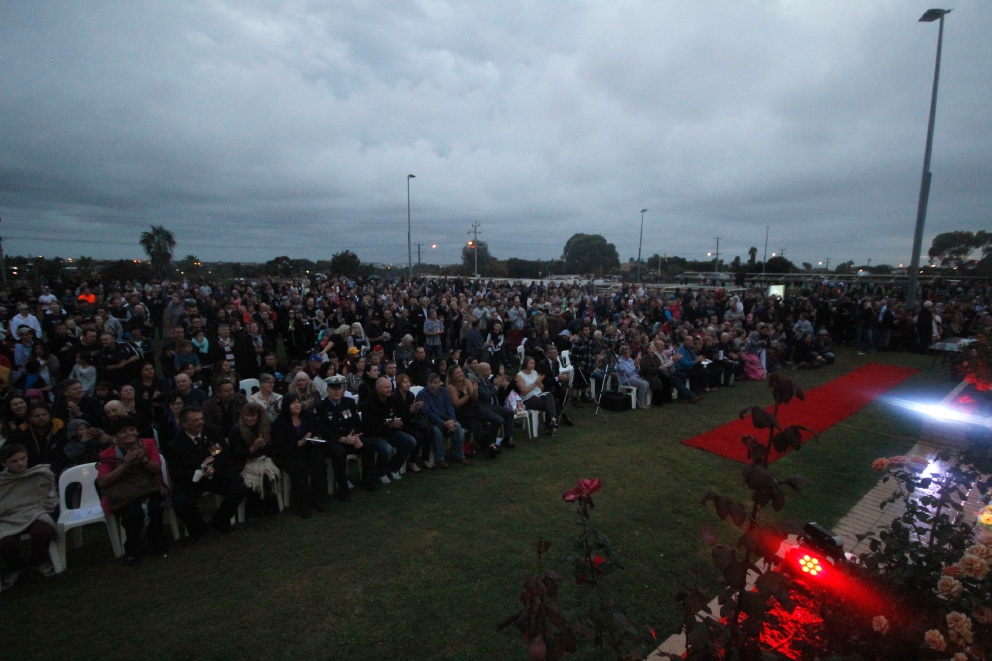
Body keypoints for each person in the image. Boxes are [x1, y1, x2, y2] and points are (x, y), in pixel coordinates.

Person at [165, 406, 248, 542]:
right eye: (195, 420)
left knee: (239, 487)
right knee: (180, 501)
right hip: (192, 479)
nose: (200, 422)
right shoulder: (175, 446)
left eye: (201, 419)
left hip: (216, 474)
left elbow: (220, 452)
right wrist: (201, 468)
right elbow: (177, 473)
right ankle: (197, 528)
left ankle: (221, 520)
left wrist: (213, 467)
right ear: (184, 424)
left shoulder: (212, 432)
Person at [96, 417, 168, 565]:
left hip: (149, 488)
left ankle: (156, 540)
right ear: (115, 436)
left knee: (156, 507)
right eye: (123, 432)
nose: (129, 433)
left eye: (132, 429)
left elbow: (156, 468)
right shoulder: (108, 454)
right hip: (123, 494)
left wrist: (144, 459)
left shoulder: (148, 445)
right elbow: (103, 481)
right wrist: (124, 464)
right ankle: (133, 548)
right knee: (132, 513)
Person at [315, 374, 384, 497]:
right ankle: (342, 487)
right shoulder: (322, 407)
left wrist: (355, 436)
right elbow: (323, 430)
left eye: (339, 389)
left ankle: (367, 480)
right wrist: (341, 439)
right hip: (334, 441)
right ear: (328, 390)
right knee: (339, 452)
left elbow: (356, 422)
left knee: (369, 446)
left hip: (351, 438)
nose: (337, 392)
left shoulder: (349, 402)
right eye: (334, 389)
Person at [0, 444, 58, 587]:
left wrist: (41, 506)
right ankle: (16, 566)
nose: (20, 463)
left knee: (44, 531)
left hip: (34, 512)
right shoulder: (2, 481)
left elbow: (49, 496)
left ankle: (38, 561)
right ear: (4, 463)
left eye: (22, 458)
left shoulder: (39, 474)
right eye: (14, 461)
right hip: (7, 517)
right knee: (4, 542)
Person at [271, 394, 329, 517]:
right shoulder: (279, 423)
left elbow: (318, 430)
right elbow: (280, 446)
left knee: (318, 464)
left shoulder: (308, 416)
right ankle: (303, 505)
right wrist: (301, 442)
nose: (297, 405)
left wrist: (316, 437)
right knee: (299, 469)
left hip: (308, 449)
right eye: (293, 403)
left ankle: (319, 500)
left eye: (298, 402)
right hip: (289, 453)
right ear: (287, 406)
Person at [228, 402, 282, 519]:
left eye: (253, 416)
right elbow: (235, 454)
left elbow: (274, 448)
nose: (249, 418)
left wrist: (264, 445)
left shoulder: (265, 427)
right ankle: (253, 508)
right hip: (244, 463)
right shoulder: (236, 430)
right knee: (254, 477)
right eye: (246, 415)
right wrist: (251, 449)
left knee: (267, 475)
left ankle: (265, 505)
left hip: (263, 460)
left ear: (259, 416)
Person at [360, 377, 416, 483]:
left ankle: (393, 468)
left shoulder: (392, 400)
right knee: (387, 449)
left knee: (410, 441)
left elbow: (400, 415)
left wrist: (406, 415)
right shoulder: (369, 404)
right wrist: (389, 425)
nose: (389, 389)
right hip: (374, 435)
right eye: (386, 387)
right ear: (378, 389)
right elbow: (369, 428)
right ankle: (380, 473)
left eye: (390, 386)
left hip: (390, 432)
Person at [416, 372, 468, 468]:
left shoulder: (444, 391)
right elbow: (427, 413)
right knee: (436, 431)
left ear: (439, 383)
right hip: (431, 421)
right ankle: (440, 459)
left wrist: (452, 421)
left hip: (446, 419)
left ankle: (460, 455)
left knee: (458, 426)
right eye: (430, 383)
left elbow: (450, 407)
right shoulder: (422, 394)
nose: (432, 385)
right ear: (427, 383)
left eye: (435, 383)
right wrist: (444, 423)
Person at [475, 362, 516, 448]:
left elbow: (494, 391)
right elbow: (486, 395)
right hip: (484, 408)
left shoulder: (487, 380)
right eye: (489, 370)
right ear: (483, 372)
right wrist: (496, 386)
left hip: (492, 406)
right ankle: (490, 442)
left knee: (509, 412)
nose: (491, 371)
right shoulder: (478, 382)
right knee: (499, 420)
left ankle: (507, 437)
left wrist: (501, 386)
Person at [515, 356, 558, 437]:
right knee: (550, 405)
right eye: (531, 363)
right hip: (528, 398)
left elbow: (542, 389)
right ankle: (550, 425)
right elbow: (523, 391)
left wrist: (539, 382)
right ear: (526, 364)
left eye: (534, 363)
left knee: (549, 395)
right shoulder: (520, 375)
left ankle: (552, 420)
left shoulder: (535, 372)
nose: (533, 365)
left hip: (538, 395)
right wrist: (535, 383)